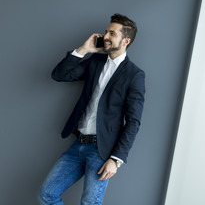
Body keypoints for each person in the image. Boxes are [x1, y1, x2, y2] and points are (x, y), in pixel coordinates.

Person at [38, 13, 145, 205]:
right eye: (106, 32)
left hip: (102, 151)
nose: (105, 36)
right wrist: (83, 50)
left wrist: (116, 159)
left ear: (126, 40)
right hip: (77, 145)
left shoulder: (134, 75)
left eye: (112, 33)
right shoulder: (94, 62)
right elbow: (60, 75)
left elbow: (133, 121)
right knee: (46, 195)